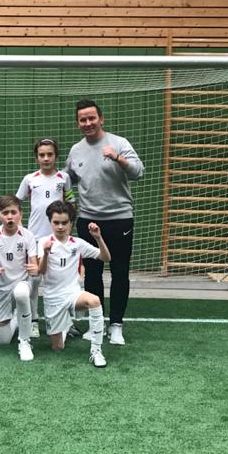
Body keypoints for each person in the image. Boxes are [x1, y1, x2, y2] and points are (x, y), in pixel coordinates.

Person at [65, 99, 143, 346]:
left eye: (92, 118)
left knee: (119, 272)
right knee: (93, 274)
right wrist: (69, 202)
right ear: (78, 123)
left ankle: (116, 325)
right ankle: (96, 324)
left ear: (101, 119)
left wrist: (118, 158)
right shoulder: (76, 150)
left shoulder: (119, 143)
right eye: (83, 120)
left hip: (119, 219)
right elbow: (67, 182)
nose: (88, 123)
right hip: (88, 220)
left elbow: (138, 172)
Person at [37, 200, 111, 368]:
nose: (60, 227)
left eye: (64, 223)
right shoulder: (43, 242)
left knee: (94, 301)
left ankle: (96, 351)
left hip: (73, 294)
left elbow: (106, 257)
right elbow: (41, 271)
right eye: (56, 222)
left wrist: (98, 238)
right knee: (58, 348)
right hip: (53, 299)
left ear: (71, 223)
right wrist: (46, 253)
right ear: (50, 222)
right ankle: (65, 325)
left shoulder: (77, 243)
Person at [16, 137, 73, 338]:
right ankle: (33, 320)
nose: (46, 158)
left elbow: (71, 204)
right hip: (35, 239)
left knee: (58, 281)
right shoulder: (30, 179)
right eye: (42, 155)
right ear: (36, 157)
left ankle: (62, 322)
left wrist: (68, 231)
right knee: (33, 282)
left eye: (50, 154)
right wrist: (21, 229)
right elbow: (16, 204)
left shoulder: (64, 178)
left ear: (56, 156)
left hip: (57, 240)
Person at [0, 195, 39, 362]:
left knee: (21, 293)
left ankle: (24, 341)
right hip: (1, 288)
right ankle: (17, 317)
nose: (10, 216)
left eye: (13, 212)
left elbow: (34, 265)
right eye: (5, 213)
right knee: (3, 341)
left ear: (20, 214)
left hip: (22, 283)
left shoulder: (28, 235)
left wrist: (35, 268)